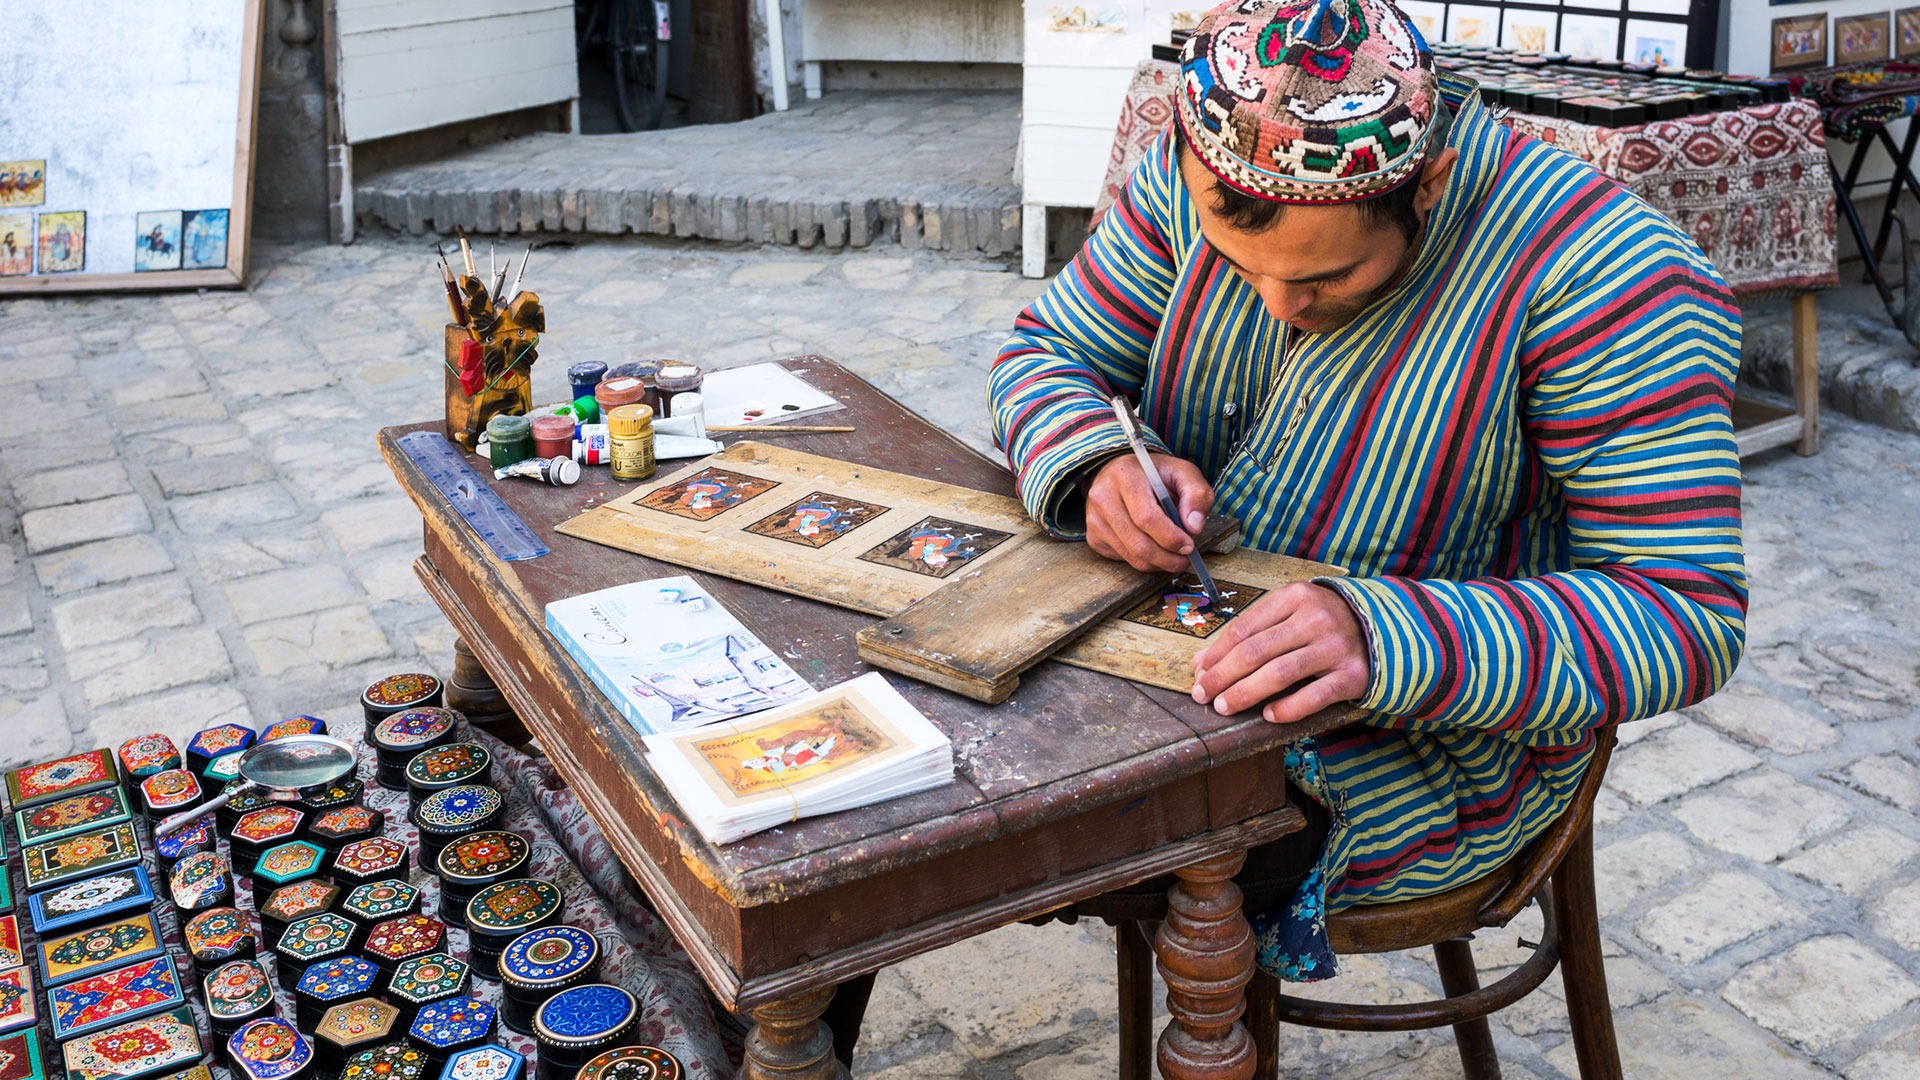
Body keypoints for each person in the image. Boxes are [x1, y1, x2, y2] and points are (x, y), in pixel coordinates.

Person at [989, 0, 1747, 979]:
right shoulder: (1195, 168)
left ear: (1424, 185)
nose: (1278, 304)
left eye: (1329, 276)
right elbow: (1048, 352)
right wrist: (1097, 461)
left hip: (1429, 747)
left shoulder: (1604, 274)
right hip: (1164, 660)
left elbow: (1687, 613)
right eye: (1233, 262)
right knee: (866, 784)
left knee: (1010, 830)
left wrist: (1381, 634)